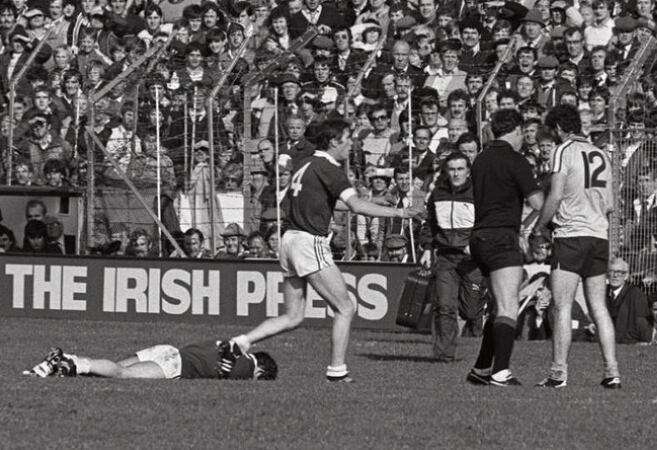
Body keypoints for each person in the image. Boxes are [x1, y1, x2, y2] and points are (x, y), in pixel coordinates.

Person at [218, 119, 416, 383]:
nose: (351, 144)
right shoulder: (330, 168)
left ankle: (239, 343)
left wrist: (372, 200)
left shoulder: (307, 164)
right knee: (345, 307)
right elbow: (355, 206)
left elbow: (329, 202)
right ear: (334, 141)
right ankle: (337, 371)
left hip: (289, 239)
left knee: (293, 316)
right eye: (347, 138)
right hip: (309, 242)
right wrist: (401, 212)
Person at [533, 104, 619, 389]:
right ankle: (612, 372)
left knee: (562, 306)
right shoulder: (602, 154)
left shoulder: (562, 150)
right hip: (599, 235)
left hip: (571, 235)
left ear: (558, 128)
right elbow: (609, 204)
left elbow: (556, 195)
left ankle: (558, 373)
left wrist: (537, 227)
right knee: (599, 306)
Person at [465, 109, 543, 387]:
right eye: (524, 133)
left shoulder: (481, 159)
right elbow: (537, 203)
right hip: (502, 238)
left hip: (479, 237)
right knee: (509, 306)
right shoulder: (516, 160)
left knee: (498, 307)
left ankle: (481, 368)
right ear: (517, 131)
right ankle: (501, 372)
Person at [419, 151, 484, 362]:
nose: (456, 173)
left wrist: (476, 245)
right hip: (446, 258)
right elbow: (430, 224)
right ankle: (443, 355)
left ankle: (472, 319)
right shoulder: (438, 193)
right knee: (444, 308)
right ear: (446, 171)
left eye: (460, 169)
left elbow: (486, 223)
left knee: (471, 311)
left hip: (472, 260)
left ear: (468, 171)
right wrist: (427, 249)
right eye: (452, 169)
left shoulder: (479, 193)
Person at [25, 343, 277, 381]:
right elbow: (229, 372)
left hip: (168, 349)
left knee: (113, 368)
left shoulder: (231, 344)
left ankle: (64, 362)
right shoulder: (249, 365)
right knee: (123, 375)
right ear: (261, 371)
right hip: (176, 365)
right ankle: (72, 363)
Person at [606, 258, 650, 344]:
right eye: (612, 271)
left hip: (627, 342)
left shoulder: (635, 294)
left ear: (626, 276)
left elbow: (641, 322)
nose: (615, 275)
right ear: (607, 275)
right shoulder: (603, 292)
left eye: (619, 272)